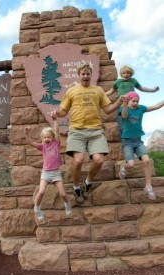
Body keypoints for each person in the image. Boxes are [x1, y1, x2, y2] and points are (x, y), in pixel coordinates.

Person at [51, 60, 124, 204]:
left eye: (88, 74)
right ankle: (76, 187)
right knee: (77, 161)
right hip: (77, 131)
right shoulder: (71, 91)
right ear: (79, 75)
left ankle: (88, 182)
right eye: (83, 74)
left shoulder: (98, 90)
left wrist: (119, 102)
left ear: (91, 74)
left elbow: (108, 109)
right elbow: (64, 111)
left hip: (96, 131)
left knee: (98, 160)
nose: (85, 76)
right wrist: (56, 113)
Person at [24, 116, 72, 221]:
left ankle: (67, 204)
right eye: (45, 137)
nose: (46, 139)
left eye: (49, 137)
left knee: (63, 194)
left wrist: (55, 120)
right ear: (42, 139)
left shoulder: (56, 143)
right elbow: (31, 143)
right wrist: (27, 134)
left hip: (56, 173)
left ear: (53, 138)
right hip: (46, 173)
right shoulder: (42, 147)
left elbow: (56, 131)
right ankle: (37, 208)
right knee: (41, 192)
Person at [118, 91, 164, 200]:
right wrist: (124, 105)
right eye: (133, 101)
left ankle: (148, 186)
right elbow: (124, 116)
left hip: (138, 141)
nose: (135, 103)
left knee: (146, 161)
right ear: (128, 101)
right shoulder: (123, 108)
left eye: (137, 101)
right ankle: (123, 167)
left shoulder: (141, 109)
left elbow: (156, 106)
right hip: (127, 142)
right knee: (131, 164)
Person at [105, 65, 159, 134]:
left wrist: (153, 90)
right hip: (121, 105)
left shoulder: (133, 81)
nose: (126, 75)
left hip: (132, 106)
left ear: (131, 74)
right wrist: (101, 94)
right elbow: (110, 91)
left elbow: (142, 88)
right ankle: (124, 140)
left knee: (133, 122)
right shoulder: (118, 82)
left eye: (128, 73)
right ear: (121, 74)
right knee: (121, 124)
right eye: (124, 73)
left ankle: (134, 136)